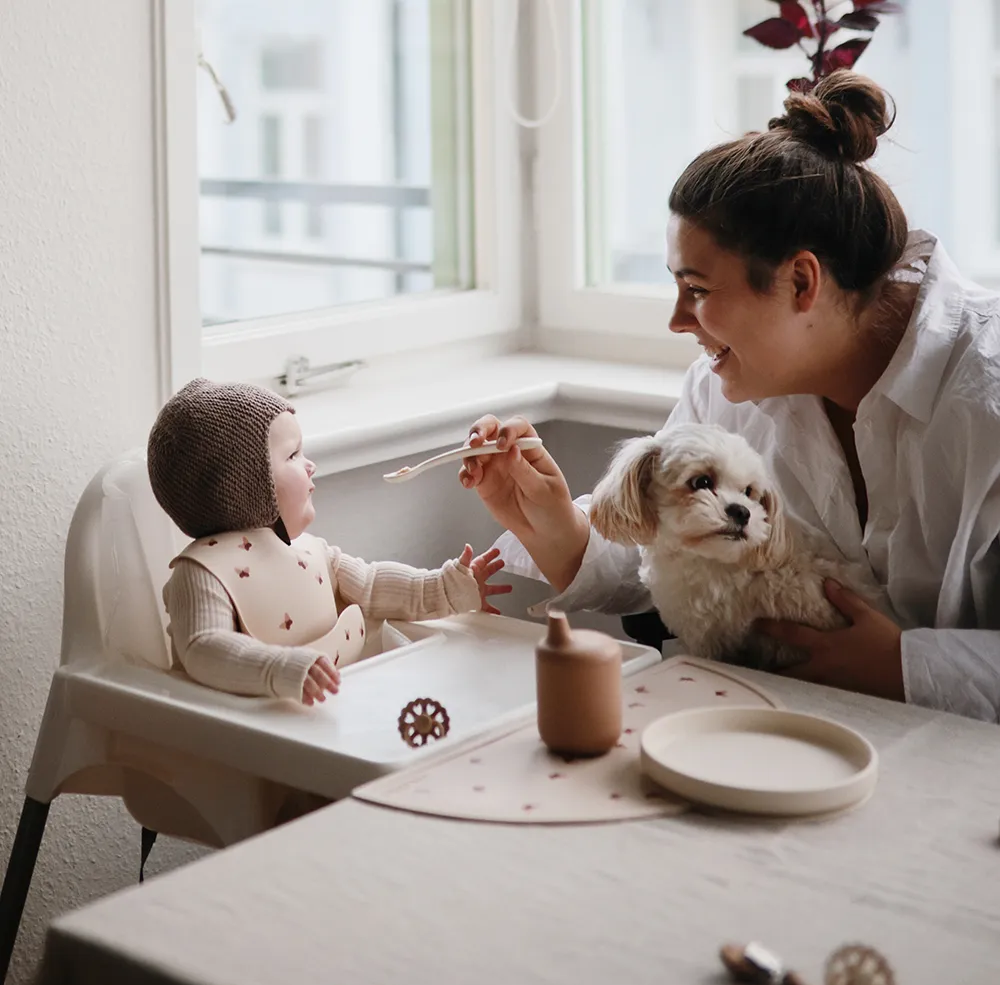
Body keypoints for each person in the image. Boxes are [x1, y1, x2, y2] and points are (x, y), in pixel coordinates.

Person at [459, 70, 1000, 723]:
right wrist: (552, 521)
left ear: (801, 282)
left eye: (697, 289)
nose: (677, 321)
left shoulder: (985, 397)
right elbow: (667, 551)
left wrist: (905, 666)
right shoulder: (727, 386)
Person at [148, 378, 510, 706]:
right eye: (293, 455)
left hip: (338, 714)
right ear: (240, 485)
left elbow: (372, 585)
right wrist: (278, 667)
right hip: (254, 735)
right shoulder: (201, 574)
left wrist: (446, 588)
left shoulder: (310, 552)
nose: (311, 465)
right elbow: (203, 648)